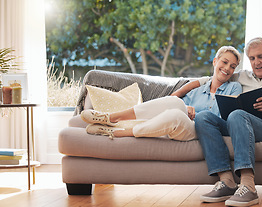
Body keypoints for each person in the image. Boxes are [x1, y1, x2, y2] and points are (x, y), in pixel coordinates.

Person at [175, 37, 262, 207]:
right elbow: (214, 77)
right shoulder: (241, 76)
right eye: (252, 58)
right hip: (237, 124)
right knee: (204, 117)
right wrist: (183, 90)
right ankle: (227, 182)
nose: (256, 62)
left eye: (260, 57)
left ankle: (248, 186)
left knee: (237, 114)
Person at [80, 46, 242, 141]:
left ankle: (117, 132)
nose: (228, 69)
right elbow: (172, 102)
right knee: (177, 106)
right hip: (183, 122)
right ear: (215, 62)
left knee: (177, 114)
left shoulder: (234, 88)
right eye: (225, 62)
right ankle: (111, 118)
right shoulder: (198, 89)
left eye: (233, 66)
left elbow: (229, 117)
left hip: (203, 130)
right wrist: (186, 107)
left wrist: (199, 114)